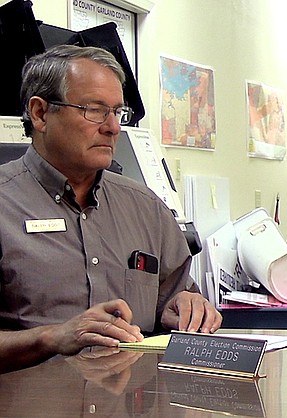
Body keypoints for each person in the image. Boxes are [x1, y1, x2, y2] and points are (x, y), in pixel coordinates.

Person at [0, 45, 222, 373]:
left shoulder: (146, 209)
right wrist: (51, 337)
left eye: (118, 112)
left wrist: (188, 308)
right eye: (94, 110)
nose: (113, 128)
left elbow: (176, 299)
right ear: (41, 114)